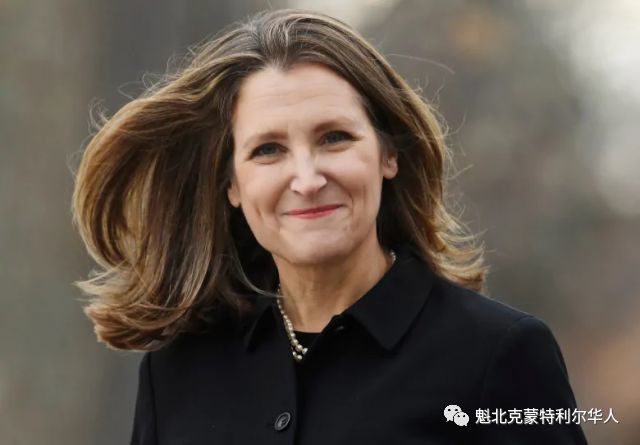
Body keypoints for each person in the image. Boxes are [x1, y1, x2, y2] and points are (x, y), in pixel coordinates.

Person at [71, 9, 589, 444]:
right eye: (268, 149)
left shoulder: (501, 354)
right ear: (232, 184)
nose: (307, 179)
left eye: (334, 138)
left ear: (388, 154)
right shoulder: (176, 371)